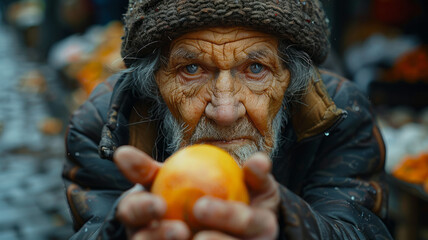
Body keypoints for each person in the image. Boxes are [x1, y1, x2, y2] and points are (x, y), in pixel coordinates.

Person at [63, 0, 393, 239]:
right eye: (191, 69)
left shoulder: (341, 113)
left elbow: (359, 230)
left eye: (255, 69)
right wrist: (122, 231)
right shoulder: (105, 122)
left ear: (291, 78)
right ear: (154, 83)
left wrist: (284, 223)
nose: (224, 112)